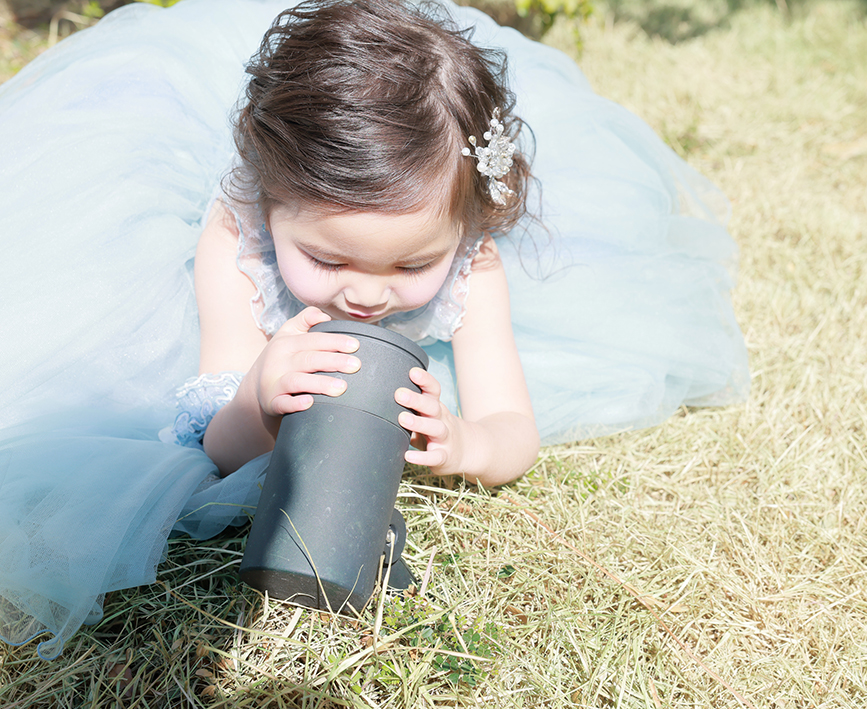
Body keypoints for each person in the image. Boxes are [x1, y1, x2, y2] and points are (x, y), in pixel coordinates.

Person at [0, 0, 748, 660]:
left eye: (413, 263)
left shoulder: (473, 266)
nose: (364, 292)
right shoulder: (240, 242)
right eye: (326, 258)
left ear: (462, 230)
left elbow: (512, 426)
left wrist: (467, 443)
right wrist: (258, 396)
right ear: (270, 206)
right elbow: (211, 448)